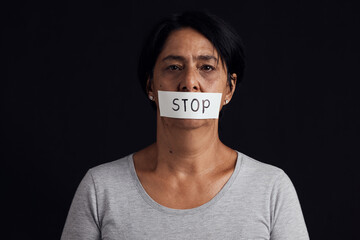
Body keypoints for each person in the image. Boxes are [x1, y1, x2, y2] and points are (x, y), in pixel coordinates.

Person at [61, 11, 309, 239]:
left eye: (207, 68)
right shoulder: (101, 189)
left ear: (229, 88)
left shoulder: (271, 189)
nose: (189, 82)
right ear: (151, 86)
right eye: (174, 67)